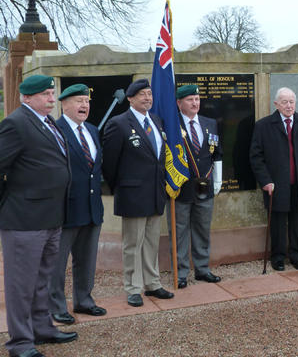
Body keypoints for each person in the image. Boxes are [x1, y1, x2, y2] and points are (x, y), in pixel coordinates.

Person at [0, 74, 77, 357]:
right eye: (45, 94)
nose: (51, 98)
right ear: (27, 97)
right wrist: (6, 203)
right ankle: (20, 342)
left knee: (42, 278)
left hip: (51, 217)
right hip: (23, 220)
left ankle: (42, 328)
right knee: (21, 284)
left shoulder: (48, 122)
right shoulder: (16, 124)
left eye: (51, 93)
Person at [102, 78, 174, 307]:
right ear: (131, 99)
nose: (148, 98)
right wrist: (121, 188)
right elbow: (110, 163)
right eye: (142, 94)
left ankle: (153, 283)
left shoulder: (156, 121)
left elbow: (158, 159)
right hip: (132, 194)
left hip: (155, 192)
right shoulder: (119, 123)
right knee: (133, 244)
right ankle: (133, 287)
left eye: (150, 94)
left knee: (152, 242)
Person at [49, 84, 106, 325]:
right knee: (57, 263)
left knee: (86, 259)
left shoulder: (92, 130)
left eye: (87, 101)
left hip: (92, 207)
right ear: (64, 104)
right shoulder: (55, 129)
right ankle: (56, 307)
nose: (85, 105)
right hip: (66, 209)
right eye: (79, 101)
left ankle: (84, 300)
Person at [250, 88, 298, 271]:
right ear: (276, 104)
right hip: (276, 184)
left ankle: (296, 256)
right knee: (278, 224)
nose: (289, 106)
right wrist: (265, 181)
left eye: (292, 102)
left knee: (297, 222)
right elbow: (256, 157)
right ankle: (278, 257)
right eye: (285, 102)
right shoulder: (263, 126)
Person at [172, 84, 223, 288]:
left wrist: (217, 180)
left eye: (197, 99)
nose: (195, 103)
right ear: (179, 103)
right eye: (190, 99)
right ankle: (181, 273)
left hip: (205, 187)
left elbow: (216, 153)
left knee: (203, 230)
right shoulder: (172, 124)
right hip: (181, 188)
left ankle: (202, 269)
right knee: (180, 231)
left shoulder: (209, 123)